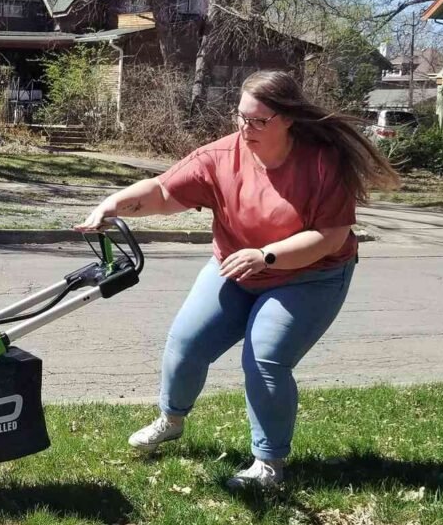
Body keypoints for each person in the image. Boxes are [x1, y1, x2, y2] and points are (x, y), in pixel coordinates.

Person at [75, 70, 399, 488]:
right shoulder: (220, 157)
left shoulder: (321, 163)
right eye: (242, 117)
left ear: (287, 119)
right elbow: (163, 191)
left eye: (259, 120)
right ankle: (171, 420)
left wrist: (266, 256)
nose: (246, 128)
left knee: (264, 358)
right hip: (236, 267)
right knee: (186, 342)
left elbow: (329, 236)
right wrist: (113, 204)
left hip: (310, 276)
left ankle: (269, 465)